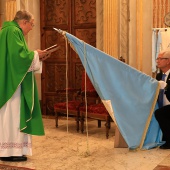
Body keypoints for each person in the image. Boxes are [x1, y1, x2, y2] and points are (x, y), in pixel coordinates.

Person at [0, 10, 49, 161]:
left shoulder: (8, 31)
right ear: (24, 22)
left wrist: (36, 56)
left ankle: (14, 151)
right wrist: (36, 54)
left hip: (12, 80)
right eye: (32, 25)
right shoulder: (13, 31)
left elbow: (19, 56)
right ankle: (10, 152)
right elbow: (18, 58)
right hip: (12, 84)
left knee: (12, 116)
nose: (32, 28)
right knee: (12, 116)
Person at [155, 50, 170, 149]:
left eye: (160, 59)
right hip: (162, 104)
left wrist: (166, 87)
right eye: (157, 59)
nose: (157, 61)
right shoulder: (159, 76)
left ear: (168, 61)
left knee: (160, 113)